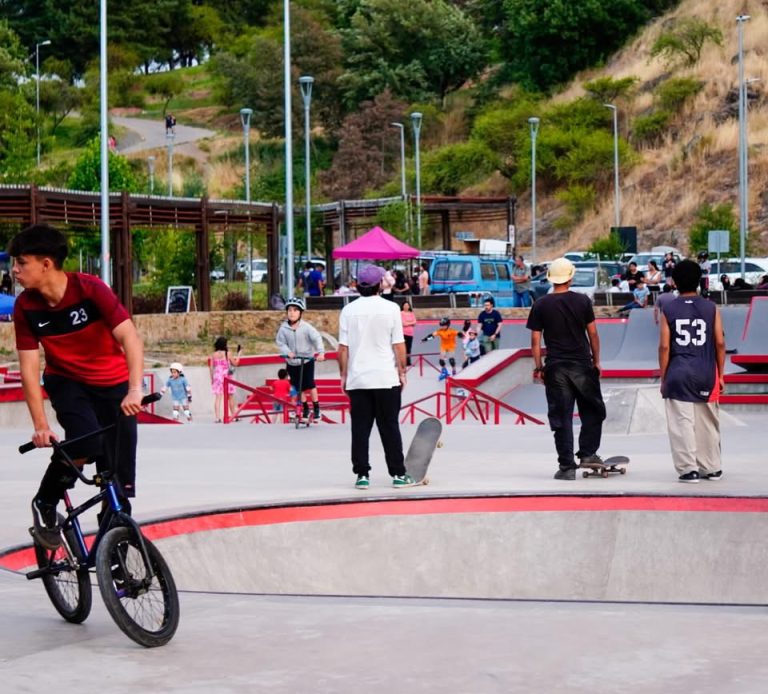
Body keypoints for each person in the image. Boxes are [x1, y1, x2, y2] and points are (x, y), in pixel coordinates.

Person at [9, 223, 145, 550]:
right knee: (85, 444)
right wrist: (41, 426)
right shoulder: (25, 306)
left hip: (114, 387)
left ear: (46, 264)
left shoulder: (90, 290)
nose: (14, 270)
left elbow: (130, 338)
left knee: (118, 485)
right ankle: (46, 502)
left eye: (21, 262)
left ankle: (116, 555)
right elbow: (29, 369)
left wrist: (135, 389)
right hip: (67, 383)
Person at [526, 257, 606, 480]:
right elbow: (593, 334)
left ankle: (567, 467)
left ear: (551, 279)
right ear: (570, 277)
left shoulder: (540, 304)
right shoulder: (582, 301)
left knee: (562, 417)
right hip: (582, 365)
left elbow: (535, 340)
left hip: (555, 368)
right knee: (593, 410)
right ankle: (588, 453)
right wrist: (596, 361)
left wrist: (539, 367)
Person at [337, 264, 413, 490]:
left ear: (357, 285)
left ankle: (362, 475)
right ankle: (398, 474)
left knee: (360, 429)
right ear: (380, 284)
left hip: (358, 379)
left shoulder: (348, 311)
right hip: (385, 378)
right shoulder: (390, 309)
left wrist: (343, 375)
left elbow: (343, 348)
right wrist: (402, 371)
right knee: (389, 426)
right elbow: (398, 345)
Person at [658, 259, 725, 483]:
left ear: (674, 282)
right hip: (706, 371)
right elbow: (720, 343)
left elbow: (665, 346)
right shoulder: (711, 308)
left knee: (681, 421)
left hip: (678, 371)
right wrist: (721, 374)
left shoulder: (668, 308)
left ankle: (689, 469)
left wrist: (663, 376)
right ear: (699, 281)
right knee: (707, 420)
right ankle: (712, 467)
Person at [275, 297, 326, 422]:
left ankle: (316, 407)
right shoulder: (283, 329)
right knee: (297, 387)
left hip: (307, 359)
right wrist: (288, 352)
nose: (292, 313)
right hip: (292, 362)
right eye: (290, 310)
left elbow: (317, 338)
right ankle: (305, 408)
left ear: (300, 313)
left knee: (310, 384)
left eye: (295, 310)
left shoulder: (306, 327)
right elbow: (281, 343)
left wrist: (321, 352)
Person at [209, 337, 241, 423]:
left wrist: (212, 379)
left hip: (217, 376)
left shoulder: (213, 354)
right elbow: (236, 363)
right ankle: (234, 416)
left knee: (218, 397)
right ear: (224, 344)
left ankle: (217, 417)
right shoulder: (228, 353)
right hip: (226, 376)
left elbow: (211, 368)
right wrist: (239, 355)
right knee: (230, 397)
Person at [400, 300, 417, 366]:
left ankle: (408, 362)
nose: (406, 306)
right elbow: (403, 323)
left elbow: (415, 322)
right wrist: (411, 323)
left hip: (410, 333)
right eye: (405, 305)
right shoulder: (401, 313)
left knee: (409, 348)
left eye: (407, 305)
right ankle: (402, 362)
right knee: (403, 348)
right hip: (403, 333)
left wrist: (408, 323)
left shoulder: (411, 313)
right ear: (403, 306)